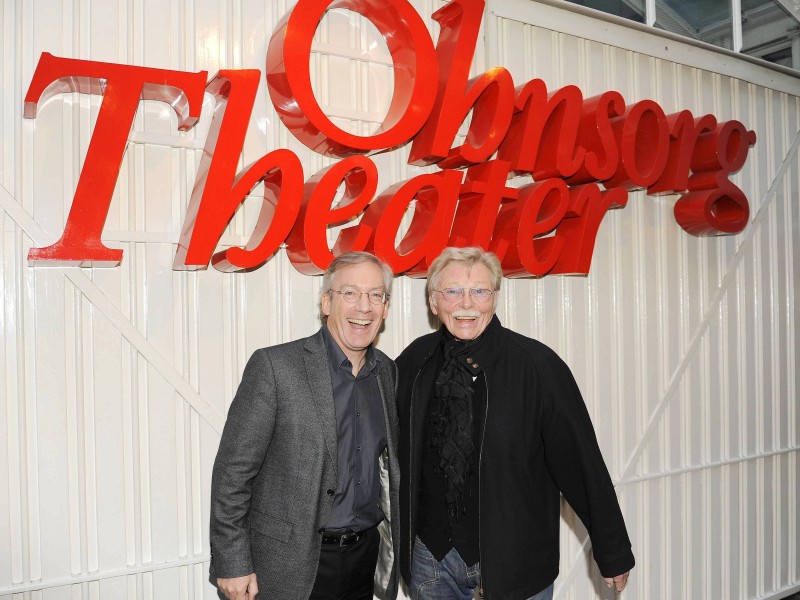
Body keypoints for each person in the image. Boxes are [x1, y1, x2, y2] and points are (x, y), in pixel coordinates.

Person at [396, 247, 634, 600]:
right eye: (452, 291)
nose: (467, 303)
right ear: (434, 302)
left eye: (479, 291)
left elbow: (581, 461)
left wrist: (612, 550)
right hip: (430, 564)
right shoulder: (414, 361)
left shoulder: (537, 367)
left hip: (515, 563)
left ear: (494, 300)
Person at [209, 251, 400, 600]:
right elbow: (232, 474)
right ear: (327, 302)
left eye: (376, 295)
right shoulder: (275, 367)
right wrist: (232, 561)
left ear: (386, 308)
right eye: (350, 293)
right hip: (290, 564)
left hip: (364, 557)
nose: (364, 306)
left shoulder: (387, 373)